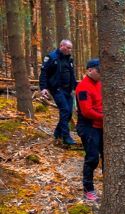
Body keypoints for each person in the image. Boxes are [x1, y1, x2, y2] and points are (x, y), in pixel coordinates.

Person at [39, 39, 77, 145]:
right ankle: (66, 137)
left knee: (69, 113)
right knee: (65, 110)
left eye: (71, 48)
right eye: (68, 48)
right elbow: (44, 74)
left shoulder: (69, 59)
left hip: (68, 90)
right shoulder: (52, 57)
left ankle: (57, 133)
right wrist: (43, 88)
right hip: (57, 89)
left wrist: (75, 87)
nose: (69, 50)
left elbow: (71, 75)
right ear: (61, 46)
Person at [75, 59, 103, 201]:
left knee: (108, 157)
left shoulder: (101, 83)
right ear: (89, 70)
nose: (100, 73)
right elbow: (87, 111)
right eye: (98, 70)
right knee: (92, 158)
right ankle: (88, 189)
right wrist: (105, 117)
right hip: (88, 126)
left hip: (102, 125)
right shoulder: (83, 87)